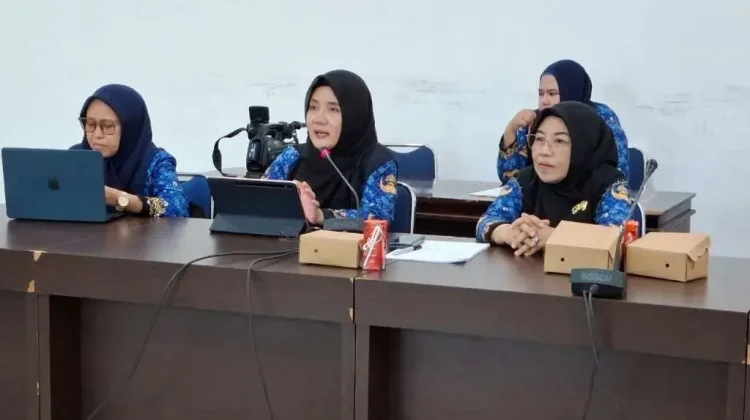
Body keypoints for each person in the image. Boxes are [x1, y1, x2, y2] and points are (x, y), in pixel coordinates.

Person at [478, 101, 632, 257]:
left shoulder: (606, 183)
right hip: (528, 271)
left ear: (584, 146)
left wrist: (553, 236)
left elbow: (617, 236)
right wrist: (511, 233)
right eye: (539, 139)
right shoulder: (527, 180)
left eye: (559, 141)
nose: (544, 151)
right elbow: (487, 220)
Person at [264, 69, 398, 225]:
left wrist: (321, 216)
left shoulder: (378, 163)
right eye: (313, 107)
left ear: (354, 116)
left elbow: (377, 218)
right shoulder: (293, 156)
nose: (319, 119)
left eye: (333, 109)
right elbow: (260, 199)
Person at [497, 59, 630, 183]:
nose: (544, 101)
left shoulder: (601, 118)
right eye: (541, 93)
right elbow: (509, 180)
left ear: (572, 91)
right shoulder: (533, 121)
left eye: (552, 93)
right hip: (540, 196)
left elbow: (618, 175)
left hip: (589, 196)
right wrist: (511, 130)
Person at [71, 84, 189, 218]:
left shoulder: (156, 162)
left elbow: (177, 209)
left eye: (107, 126)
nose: (96, 134)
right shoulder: (77, 157)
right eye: (90, 124)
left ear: (130, 129)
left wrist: (120, 199)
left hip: (142, 232)